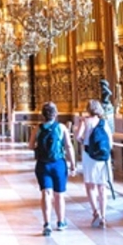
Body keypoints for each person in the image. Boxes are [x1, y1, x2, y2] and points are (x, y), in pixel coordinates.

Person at [28, 101, 75, 236]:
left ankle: (47, 223)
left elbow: (30, 146)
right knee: (59, 194)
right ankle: (61, 222)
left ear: (43, 115)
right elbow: (69, 146)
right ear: (56, 113)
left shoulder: (37, 129)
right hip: (58, 163)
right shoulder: (61, 128)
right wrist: (72, 164)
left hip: (42, 164)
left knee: (45, 193)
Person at [74, 99, 113, 227]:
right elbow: (110, 142)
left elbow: (78, 137)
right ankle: (104, 216)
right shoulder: (104, 122)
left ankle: (95, 212)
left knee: (90, 185)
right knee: (102, 187)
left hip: (89, 156)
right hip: (103, 157)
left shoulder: (85, 121)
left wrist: (84, 141)